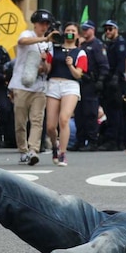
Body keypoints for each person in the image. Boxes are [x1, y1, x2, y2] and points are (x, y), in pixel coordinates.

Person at [8, 8, 53, 165]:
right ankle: (23, 150)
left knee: (37, 120)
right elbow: (22, 42)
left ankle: (33, 150)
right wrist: (43, 39)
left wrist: (43, 62)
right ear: (35, 24)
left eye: (47, 24)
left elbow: (48, 69)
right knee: (20, 122)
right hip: (21, 85)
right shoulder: (27, 35)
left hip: (39, 87)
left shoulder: (49, 44)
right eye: (42, 23)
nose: (44, 26)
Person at [44, 21, 83, 166]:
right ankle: (54, 146)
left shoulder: (80, 52)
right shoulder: (54, 49)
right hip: (53, 84)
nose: (70, 32)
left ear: (77, 34)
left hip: (70, 85)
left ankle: (62, 153)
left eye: (73, 30)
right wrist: (44, 60)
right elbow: (46, 69)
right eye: (67, 30)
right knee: (50, 126)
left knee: (64, 119)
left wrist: (70, 65)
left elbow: (79, 74)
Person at [74, 20, 110, 151]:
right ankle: (80, 140)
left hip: (91, 83)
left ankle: (92, 141)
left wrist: (100, 81)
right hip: (81, 82)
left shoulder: (97, 45)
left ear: (93, 30)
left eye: (87, 29)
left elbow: (104, 65)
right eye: (83, 29)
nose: (84, 31)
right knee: (79, 113)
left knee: (90, 113)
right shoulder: (82, 45)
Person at [99, 20, 126, 151]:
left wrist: (116, 77)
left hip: (116, 82)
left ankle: (115, 140)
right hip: (109, 81)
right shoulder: (109, 44)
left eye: (110, 29)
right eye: (106, 29)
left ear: (116, 29)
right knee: (112, 112)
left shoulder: (120, 43)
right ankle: (117, 140)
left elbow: (122, 61)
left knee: (115, 112)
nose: (108, 32)